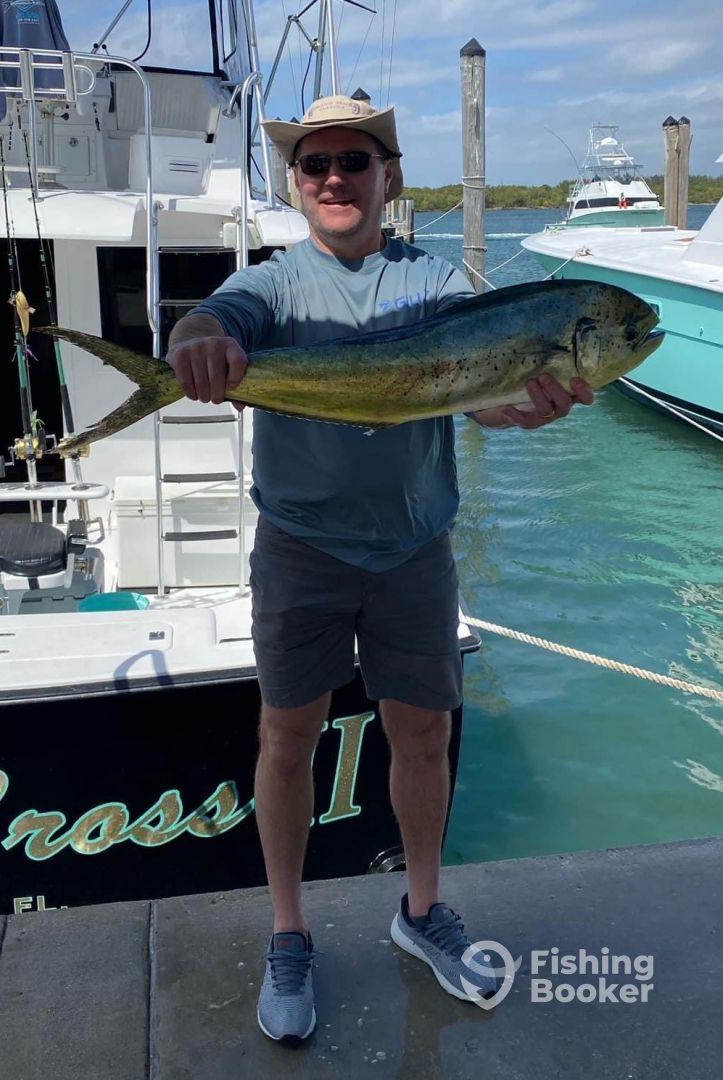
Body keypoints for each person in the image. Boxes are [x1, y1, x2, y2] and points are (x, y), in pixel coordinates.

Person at [166, 94, 595, 1045]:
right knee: (288, 736)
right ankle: (288, 931)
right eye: (314, 163)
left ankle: (422, 909)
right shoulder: (272, 287)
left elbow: (476, 394)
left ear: (386, 177)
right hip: (301, 548)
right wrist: (192, 343)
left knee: (423, 736)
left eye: (353, 162)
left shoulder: (434, 284)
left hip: (411, 548)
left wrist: (519, 409)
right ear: (295, 182)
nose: (333, 178)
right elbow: (210, 317)